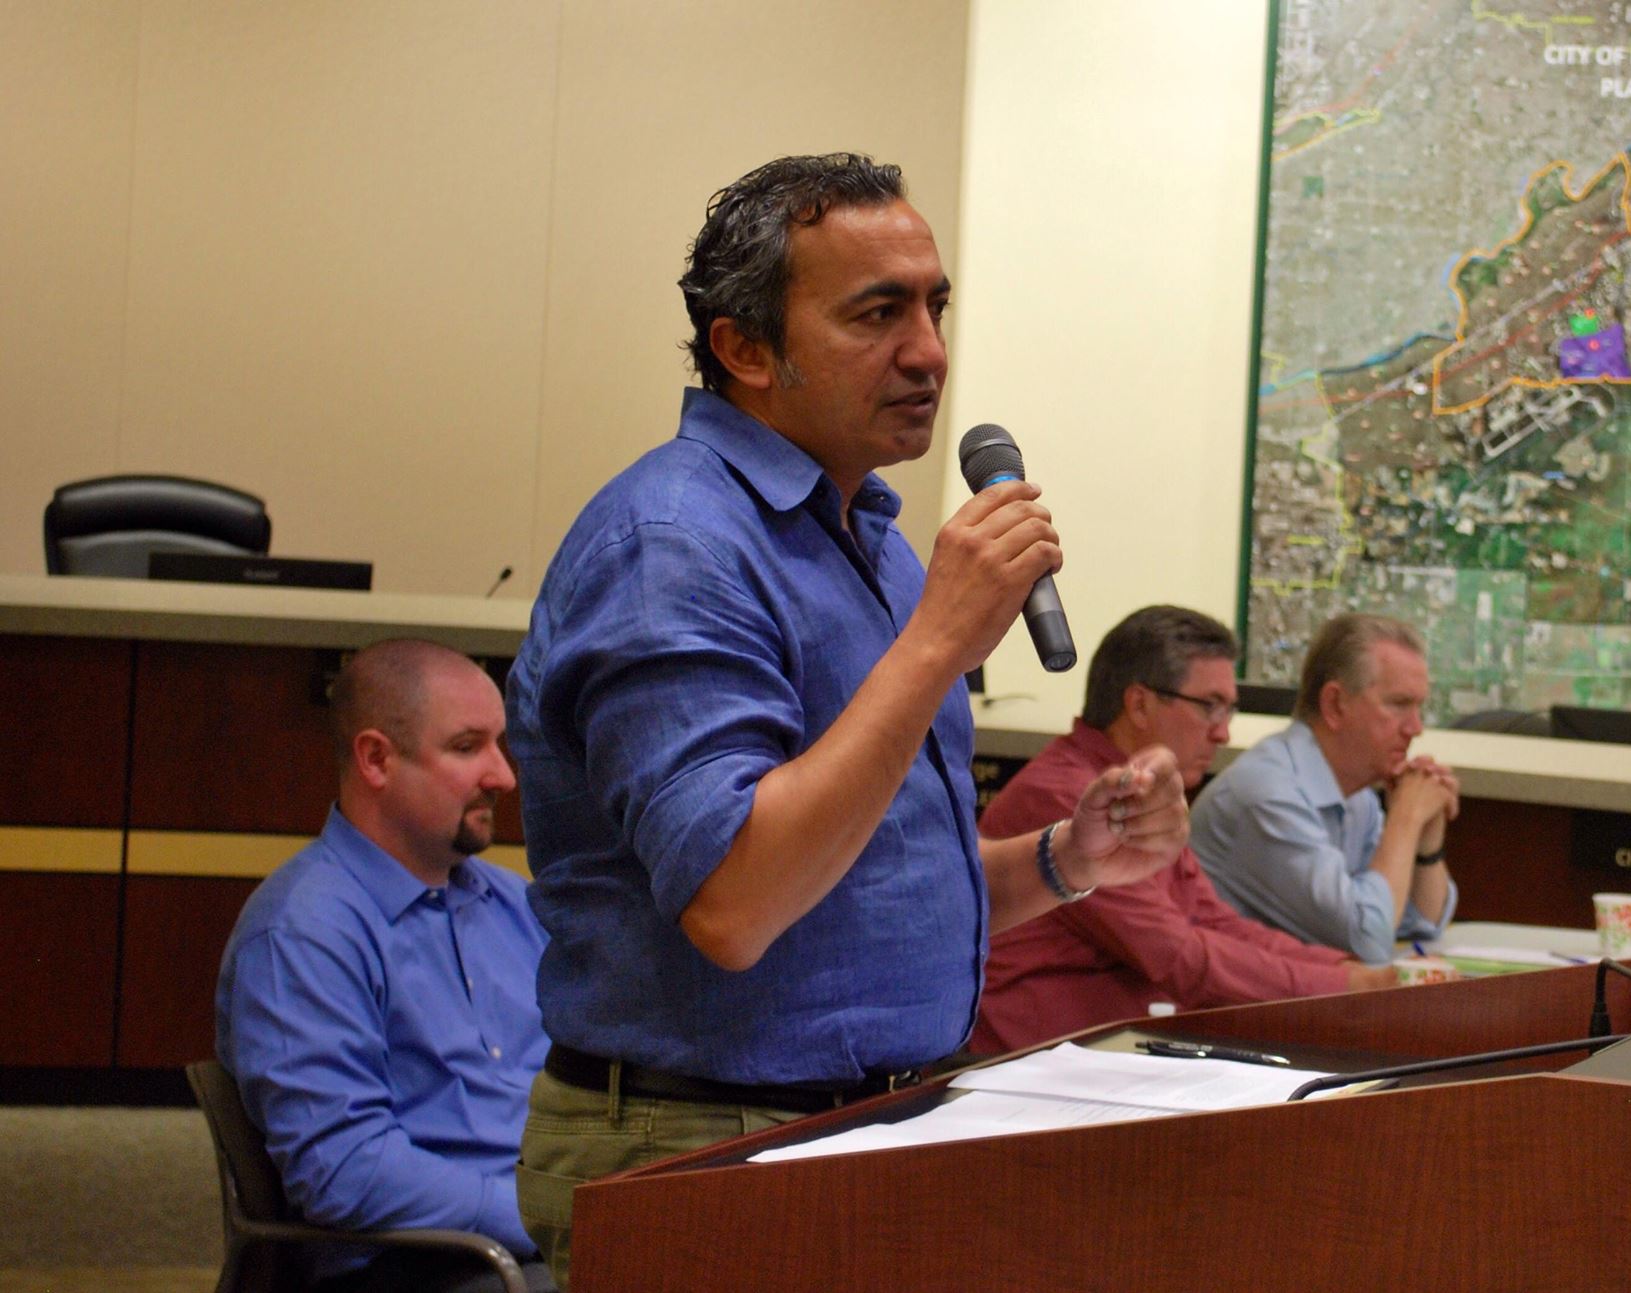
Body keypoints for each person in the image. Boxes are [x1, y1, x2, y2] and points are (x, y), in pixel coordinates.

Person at [505, 153, 1187, 1287]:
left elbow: (862, 884)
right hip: (706, 1148)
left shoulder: (863, 530)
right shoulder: (672, 546)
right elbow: (735, 902)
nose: (927, 350)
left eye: (933, 305)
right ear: (745, 348)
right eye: (876, 313)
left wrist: (1071, 859)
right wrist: (935, 645)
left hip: (857, 1132)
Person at [215, 639, 553, 1293]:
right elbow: (345, 1171)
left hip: (533, 1244)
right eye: (466, 746)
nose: (503, 774)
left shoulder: (513, 905)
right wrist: (543, 1215)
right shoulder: (303, 931)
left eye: (500, 743)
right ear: (376, 759)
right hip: (416, 1264)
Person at [972, 606, 1393, 1053]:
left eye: (1230, 710)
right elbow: (1179, 958)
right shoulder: (1070, 798)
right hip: (1031, 1073)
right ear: (1139, 704)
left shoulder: (1139, 788)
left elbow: (1211, 920)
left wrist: (1343, 967)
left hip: (1109, 1057)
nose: (1224, 734)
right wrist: (1342, 986)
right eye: (1210, 706)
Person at [1189, 613, 1459, 963]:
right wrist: (1405, 817)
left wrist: (1427, 843)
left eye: (1419, 707)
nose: (1416, 728)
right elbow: (1369, 940)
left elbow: (1420, 923)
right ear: (1334, 705)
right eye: (1398, 705)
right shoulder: (1269, 794)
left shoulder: (1355, 792)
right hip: (1224, 1009)